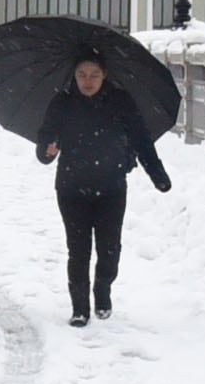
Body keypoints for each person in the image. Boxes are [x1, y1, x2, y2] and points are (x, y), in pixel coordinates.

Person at [34, 53, 170, 326]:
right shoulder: (62, 103)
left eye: (94, 74)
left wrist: (157, 174)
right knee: (78, 248)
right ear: (74, 75)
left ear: (105, 75)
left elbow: (142, 139)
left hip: (111, 186)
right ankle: (80, 307)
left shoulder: (121, 101)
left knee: (109, 247)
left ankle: (103, 287)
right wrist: (47, 151)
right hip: (72, 187)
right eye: (82, 75)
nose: (88, 81)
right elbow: (44, 142)